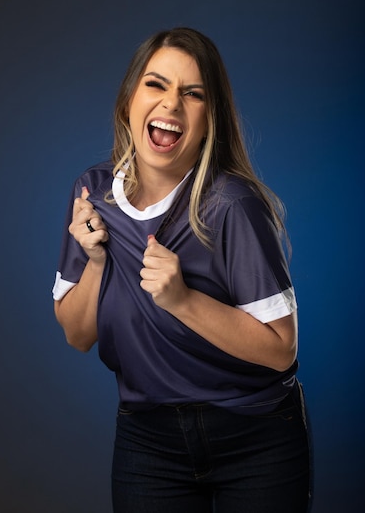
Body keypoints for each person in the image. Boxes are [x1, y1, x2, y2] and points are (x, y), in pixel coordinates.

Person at [53, 27, 312, 513]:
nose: (171, 104)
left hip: (255, 436)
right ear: (130, 98)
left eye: (192, 94)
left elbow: (281, 350)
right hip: (146, 440)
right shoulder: (93, 193)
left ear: (209, 117)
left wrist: (184, 301)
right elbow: (77, 335)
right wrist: (95, 261)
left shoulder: (231, 204)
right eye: (156, 84)